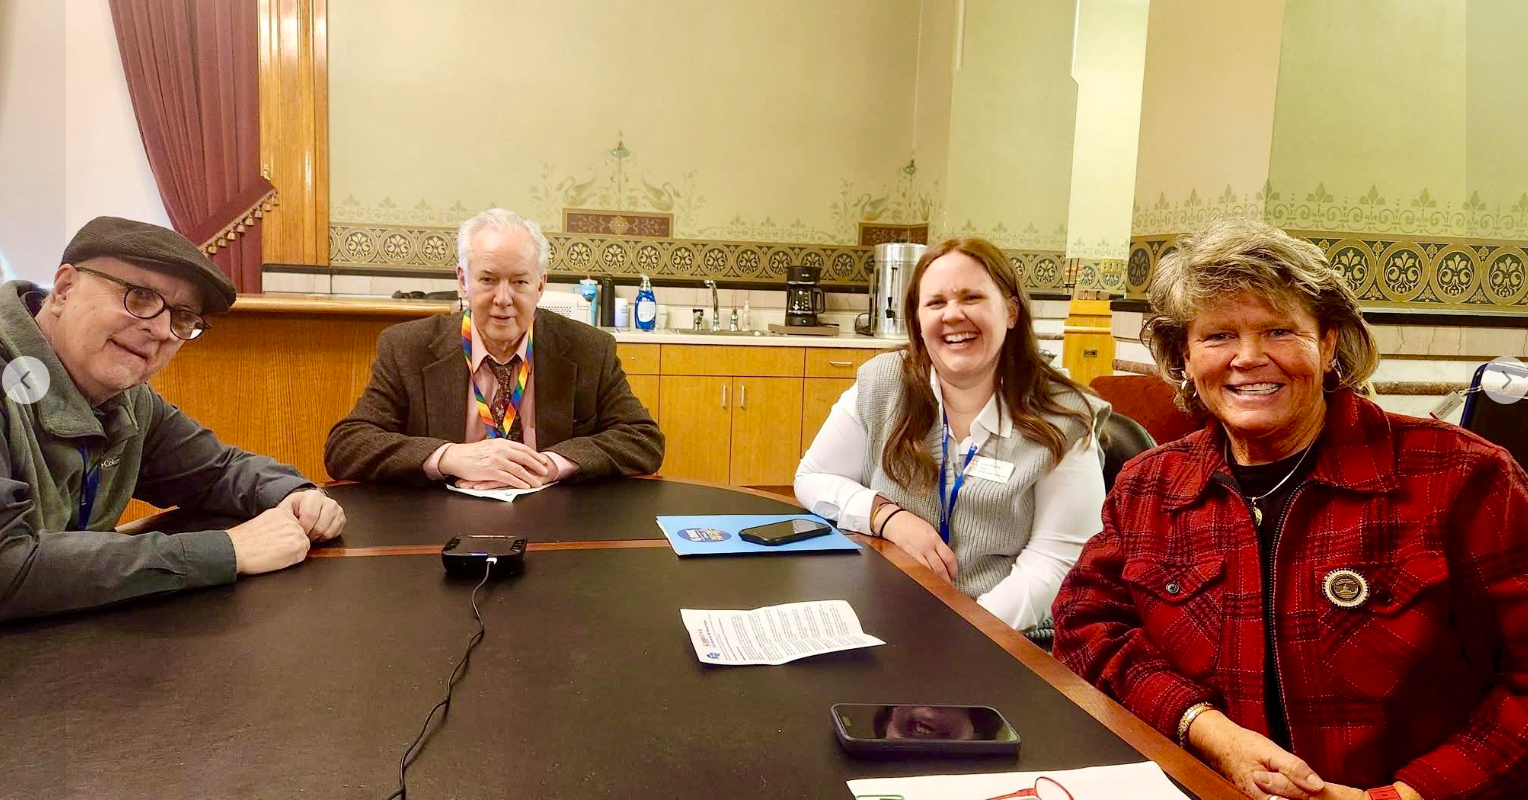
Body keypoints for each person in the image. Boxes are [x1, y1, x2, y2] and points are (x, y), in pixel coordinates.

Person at [1052, 217, 1528, 800]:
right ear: (1185, 358)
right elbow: (1086, 627)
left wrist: (1405, 796)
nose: (1249, 358)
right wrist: (1209, 732)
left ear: (1327, 345)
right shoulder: (1149, 485)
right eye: (1218, 336)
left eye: (1279, 331)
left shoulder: (1461, 476)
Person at [0, 217, 346, 621]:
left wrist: (296, 495)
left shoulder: (131, 401)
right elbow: (7, 564)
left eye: (182, 317)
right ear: (64, 289)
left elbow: (217, 470)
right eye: (140, 296)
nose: (163, 330)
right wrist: (226, 551)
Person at [795, 237, 1108, 633]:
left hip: (1006, 635)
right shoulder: (883, 382)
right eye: (936, 303)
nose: (953, 315)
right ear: (918, 320)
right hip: (882, 616)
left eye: (971, 298)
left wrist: (968, 631)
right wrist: (886, 517)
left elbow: (1057, 560)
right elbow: (813, 477)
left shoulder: (1062, 415)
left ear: (1011, 311)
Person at [324, 208, 663, 487]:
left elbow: (643, 439)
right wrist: (449, 457)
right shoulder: (408, 348)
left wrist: (553, 465)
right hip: (441, 523)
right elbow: (346, 446)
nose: (503, 299)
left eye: (519, 281)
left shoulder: (588, 349)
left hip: (556, 523)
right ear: (463, 281)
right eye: (487, 280)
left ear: (540, 285)